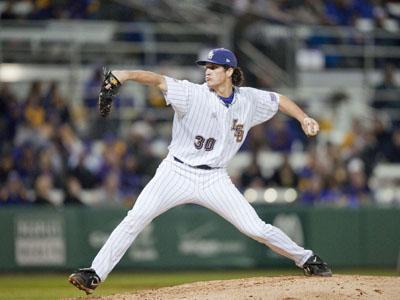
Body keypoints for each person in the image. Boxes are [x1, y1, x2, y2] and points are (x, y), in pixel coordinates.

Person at [68, 48, 332, 295]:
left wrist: (303, 117)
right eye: (206, 66)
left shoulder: (248, 100)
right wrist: (124, 75)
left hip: (214, 177)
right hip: (176, 172)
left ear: (229, 72)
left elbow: (280, 100)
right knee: (135, 218)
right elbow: (158, 80)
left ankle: (307, 258)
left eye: (215, 67)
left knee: (256, 228)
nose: (207, 71)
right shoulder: (192, 93)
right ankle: (95, 273)